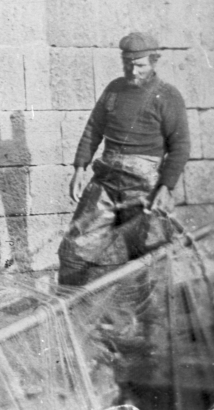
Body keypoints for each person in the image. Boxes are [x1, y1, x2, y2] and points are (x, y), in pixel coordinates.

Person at [58, 32, 190, 287]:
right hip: (106, 182)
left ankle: (150, 324)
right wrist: (79, 168)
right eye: (127, 64)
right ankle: (74, 317)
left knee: (150, 257)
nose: (133, 71)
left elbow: (180, 146)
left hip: (144, 189)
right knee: (74, 249)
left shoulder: (168, 96)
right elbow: (93, 129)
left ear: (153, 62)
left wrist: (166, 187)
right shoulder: (114, 90)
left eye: (140, 65)